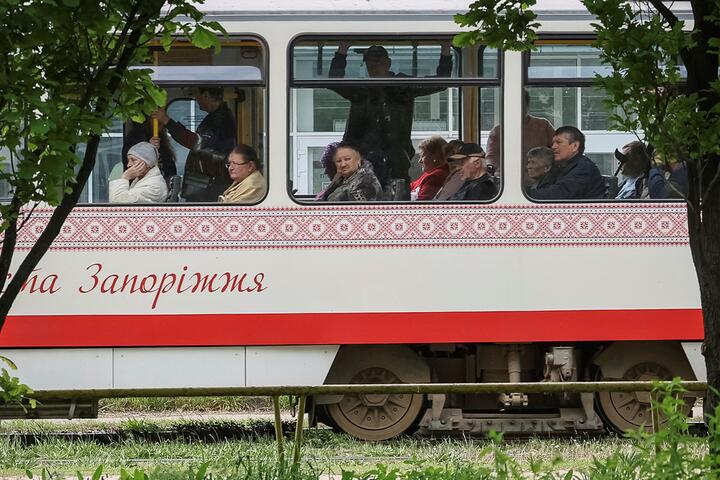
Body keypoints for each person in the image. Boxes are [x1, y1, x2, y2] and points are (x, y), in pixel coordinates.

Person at [328, 42, 453, 199]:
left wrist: (446, 50)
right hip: (363, 162)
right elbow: (333, 81)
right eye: (369, 62)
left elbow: (441, 82)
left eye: (377, 60)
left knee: (396, 204)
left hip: (395, 163)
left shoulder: (402, 86)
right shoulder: (361, 88)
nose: (373, 65)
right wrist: (342, 50)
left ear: (388, 63)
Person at [153, 86, 236, 201]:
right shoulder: (214, 117)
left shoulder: (221, 119)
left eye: (197, 95)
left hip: (210, 185)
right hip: (206, 182)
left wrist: (167, 121)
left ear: (206, 95)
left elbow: (197, 143)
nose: (196, 99)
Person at [485, 90, 555, 179]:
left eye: (520, 104)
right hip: (506, 180)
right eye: (512, 105)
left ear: (527, 105)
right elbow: (491, 157)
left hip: (540, 179)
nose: (516, 108)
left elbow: (556, 150)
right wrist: (490, 167)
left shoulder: (543, 125)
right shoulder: (498, 130)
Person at [528, 126, 605, 200]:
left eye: (559, 142)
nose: (553, 147)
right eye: (553, 143)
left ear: (575, 146)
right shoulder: (562, 166)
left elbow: (557, 194)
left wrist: (523, 194)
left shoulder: (584, 169)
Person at [318, 143, 383, 202]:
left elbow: (359, 212)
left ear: (358, 160)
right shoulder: (341, 179)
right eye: (338, 161)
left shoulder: (365, 183)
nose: (343, 164)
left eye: (347, 159)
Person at [410, 136, 449, 201]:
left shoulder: (436, 176)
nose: (420, 161)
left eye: (422, 156)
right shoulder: (430, 173)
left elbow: (422, 203)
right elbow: (411, 186)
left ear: (434, 157)